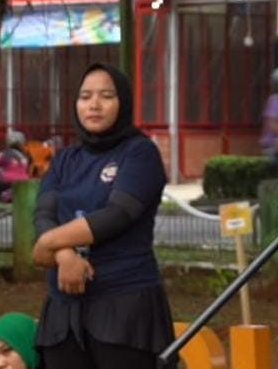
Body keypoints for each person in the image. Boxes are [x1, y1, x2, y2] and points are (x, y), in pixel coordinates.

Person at [30, 63, 175, 369]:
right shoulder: (66, 158)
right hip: (63, 311)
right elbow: (45, 211)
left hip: (124, 306)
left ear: (122, 102)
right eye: (85, 96)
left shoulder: (139, 153)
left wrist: (48, 243)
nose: (94, 104)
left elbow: (118, 214)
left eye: (106, 96)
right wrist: (65, 255)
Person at [0, 130, 32, 202]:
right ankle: (8, 195)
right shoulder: (25, 156)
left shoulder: (5, 153)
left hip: (7, 179)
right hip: (24, 180)